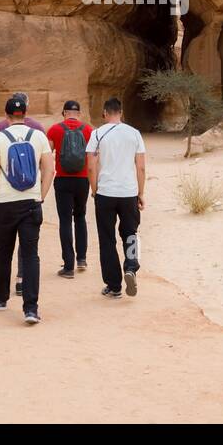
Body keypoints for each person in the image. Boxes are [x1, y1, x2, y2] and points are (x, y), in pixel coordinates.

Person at [0, 94, 53, 325]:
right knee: (30, 254)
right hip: (31, 203)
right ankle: (31, 309)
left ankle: (1, 298)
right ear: (25, 114)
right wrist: (40, 196)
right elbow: (48, 170)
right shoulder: (39, 137)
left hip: (5, 203)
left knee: (3, 251)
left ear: (6, 115)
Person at [86, 97, 146, 299]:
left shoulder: (97, 134)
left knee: (107, 239)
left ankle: (114, 286)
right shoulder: (134, 134)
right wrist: (141, 192)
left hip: (105, 192)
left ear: (105, 113)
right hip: (128, 192)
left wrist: (95, 190)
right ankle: (130, 267)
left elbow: (91, 166)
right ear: (121, 112)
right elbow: (141, 166)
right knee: (131, 233)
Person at [46, 100, 93, 277]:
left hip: (63, 179)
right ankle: (82, 259)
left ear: (64, 113)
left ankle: (68, 266)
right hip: (82, 180)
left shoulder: (55, 129)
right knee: (80, 217)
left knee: (65, 220)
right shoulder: (88, 130)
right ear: (79, 113)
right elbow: (94, 158)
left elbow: (47, 155)